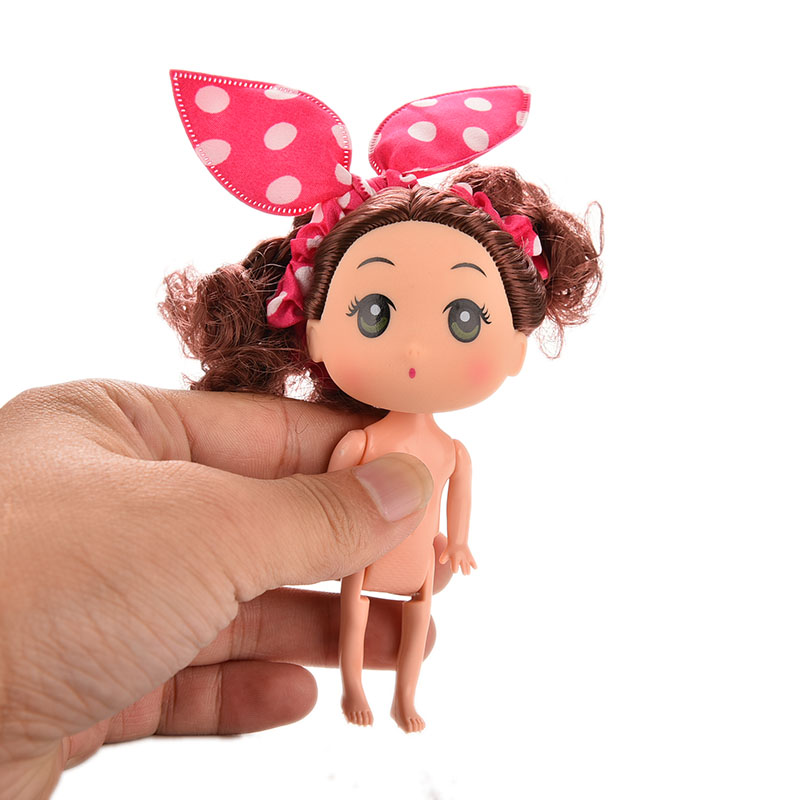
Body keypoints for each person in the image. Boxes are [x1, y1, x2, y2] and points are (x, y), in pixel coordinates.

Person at [0, 379, 444, 799]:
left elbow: (456, 502)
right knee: (355, 622)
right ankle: (355, 691)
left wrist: (457, 544)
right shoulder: (362, 442)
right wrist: (344, 507)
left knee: (411, 625)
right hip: (365, 563)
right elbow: (336, 482)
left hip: (417, 562)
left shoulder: (450, 450)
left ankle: (405, 699)